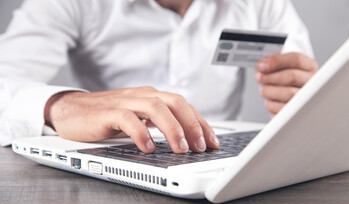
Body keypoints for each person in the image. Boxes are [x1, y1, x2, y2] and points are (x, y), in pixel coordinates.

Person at [0, 0, 318, 153]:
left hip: (223, 153)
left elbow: (307, 86)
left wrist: (308, 99)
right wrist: (61, 105)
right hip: (117, 154)